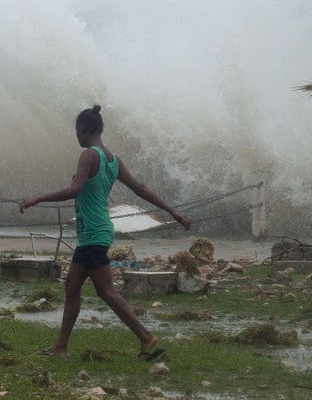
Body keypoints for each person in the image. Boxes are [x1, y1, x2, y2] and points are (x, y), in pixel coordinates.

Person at [19, 104, 191, 362]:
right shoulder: (112, 159)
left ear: (85, 130)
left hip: (94, 232)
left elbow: (75, 189)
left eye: (77, 131)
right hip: (95, 231)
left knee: (106, 290)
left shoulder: (89, 155)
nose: (76, 136)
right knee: (72, 288)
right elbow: (140, 188)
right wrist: (173, 211)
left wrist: (37, 198)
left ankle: (145, 337)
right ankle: (61, 346)